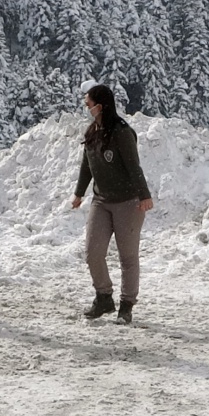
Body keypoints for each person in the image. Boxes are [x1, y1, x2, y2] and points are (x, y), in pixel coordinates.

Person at [70, 84, 154, 323]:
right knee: (92, 253)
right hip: (101, 201)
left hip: (128, 202)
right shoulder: (92, 131)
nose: (87, 108)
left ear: (101, 105)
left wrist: (144, 195)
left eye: (89, 104)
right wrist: (79, 193)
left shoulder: (122, 132)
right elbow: (87, 165)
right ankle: (104, 296)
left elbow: (133, 166)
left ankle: (126, 305)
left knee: (127, 257)